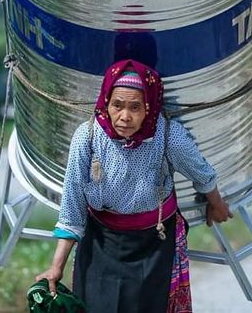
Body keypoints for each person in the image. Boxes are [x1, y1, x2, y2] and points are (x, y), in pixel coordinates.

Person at [35, 59, 233, 313]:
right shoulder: (88, 137)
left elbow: (202, 173)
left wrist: (216, 204)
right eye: (117, 105)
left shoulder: (167, 136)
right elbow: (72, 207)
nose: (124, 116)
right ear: (106, 102)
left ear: (149, 108)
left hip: (154, 244)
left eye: (135, 108)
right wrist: (56, 267)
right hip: (100, 241)